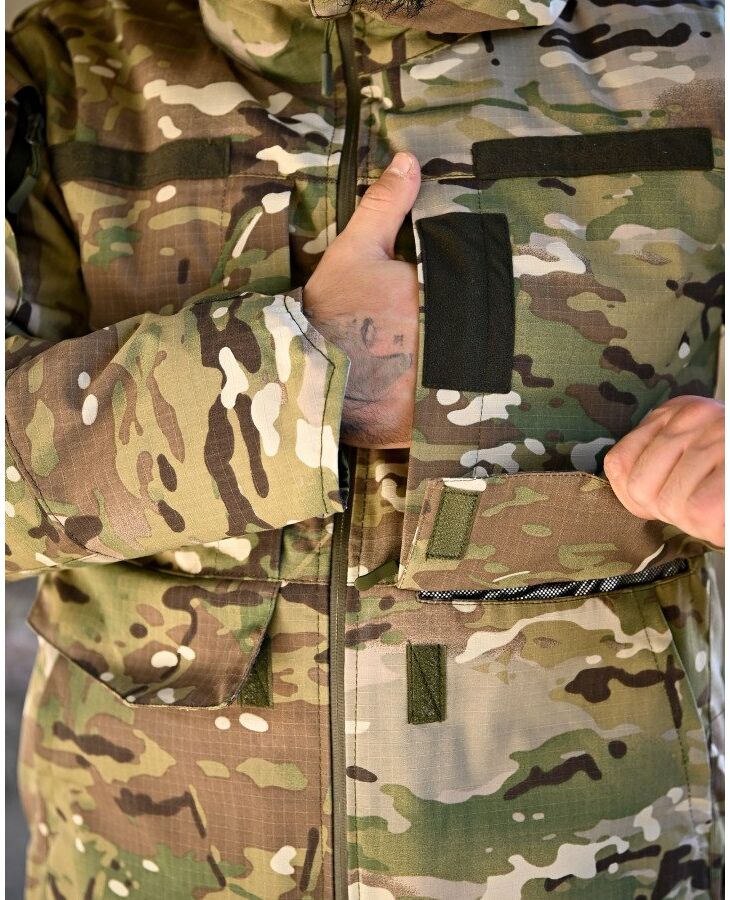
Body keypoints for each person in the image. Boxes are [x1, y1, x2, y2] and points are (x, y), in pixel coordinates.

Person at [5, 0, 724, 895]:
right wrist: (298, 372)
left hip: (598, 860)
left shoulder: (697, 53)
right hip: (145, 860)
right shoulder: (63, 59)